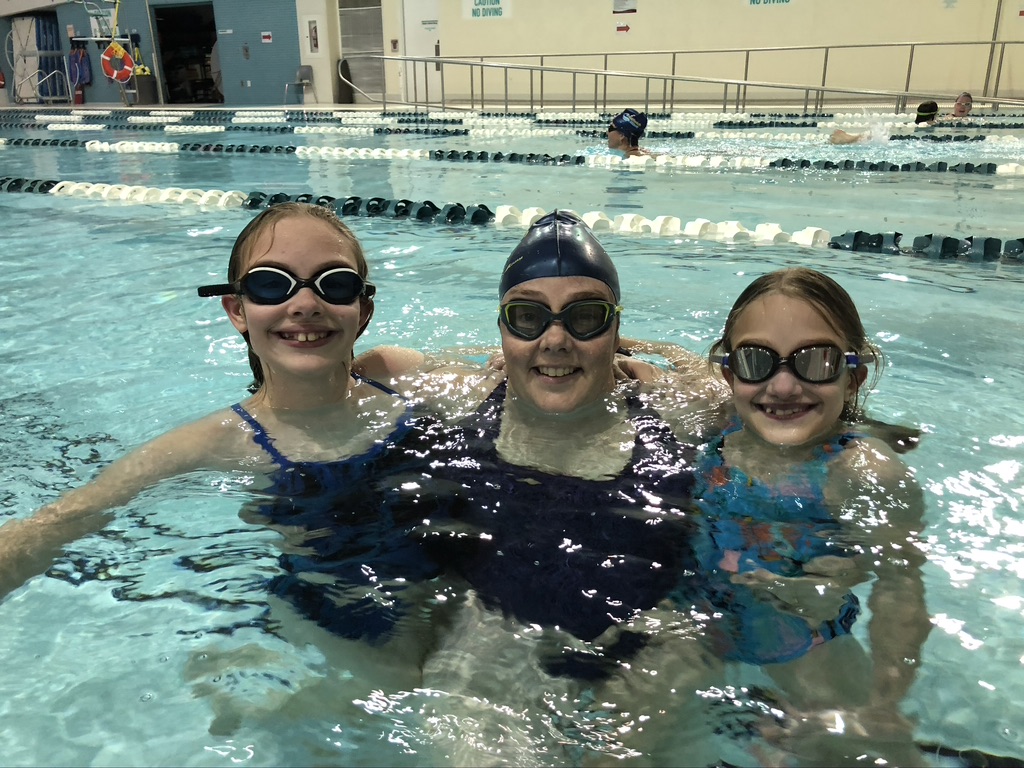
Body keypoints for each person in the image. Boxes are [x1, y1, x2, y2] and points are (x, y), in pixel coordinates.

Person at [680, 267, 930, 763]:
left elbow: (901, 589)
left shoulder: (865, 474)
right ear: (729, 374)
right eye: (756, 361)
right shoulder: (715, 435)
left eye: (816, 361)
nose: (784, 386)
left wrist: (886, 701)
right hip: (697, 630)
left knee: (873, 751)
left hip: (806, 641)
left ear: (854, 375)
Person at [828, 99, 939, 144]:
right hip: (890, 140)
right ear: (933, 115)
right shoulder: (930, 124)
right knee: (874, 137)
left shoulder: (907, 124)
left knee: (874, 136)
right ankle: (849, 138)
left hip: (887, 136)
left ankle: (849, 137)